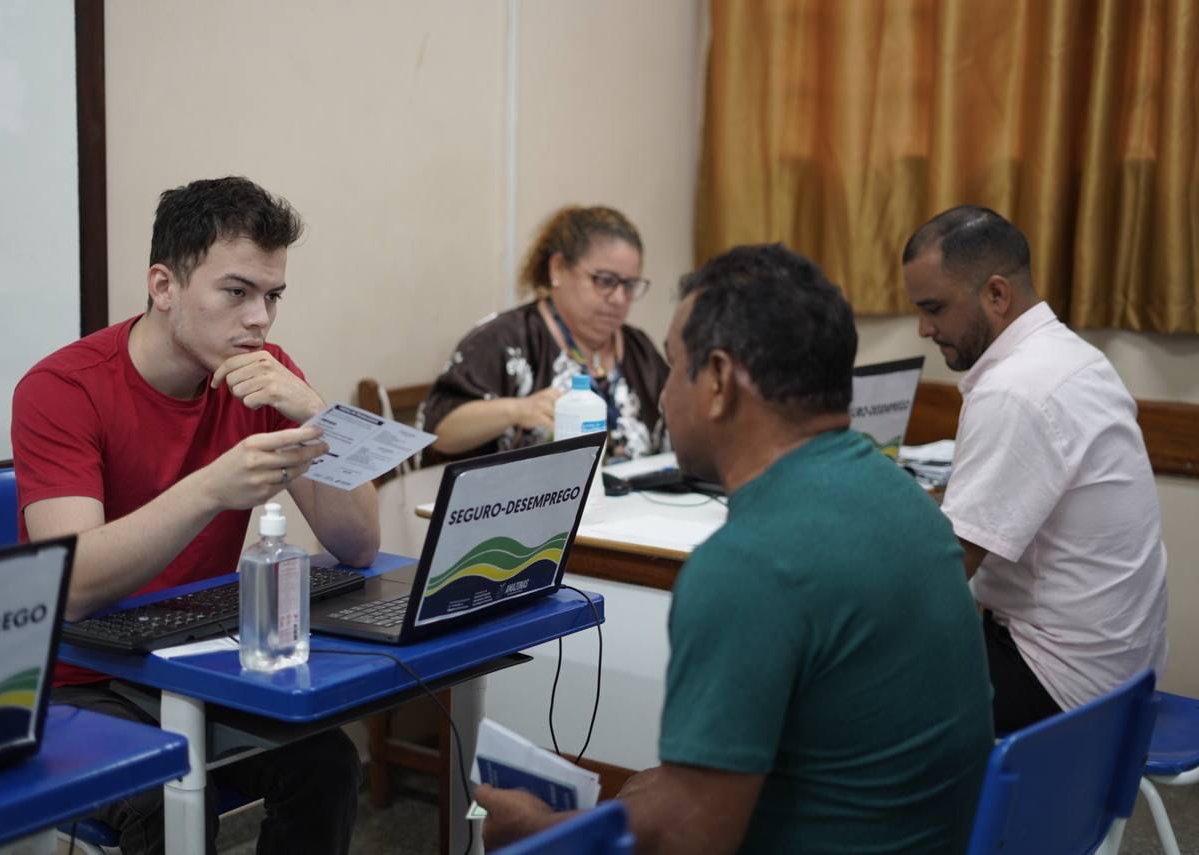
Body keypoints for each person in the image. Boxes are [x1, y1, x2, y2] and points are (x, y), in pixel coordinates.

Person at [477, 244, 993, 854]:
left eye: (674, 367)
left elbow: (690, 844)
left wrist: (533, 831)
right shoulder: (906, 499)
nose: (666, 394)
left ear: (718, 380)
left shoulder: (749, 564)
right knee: (650, 785)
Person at [12, 176, 380, 854]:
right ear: (164, 287)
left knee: (328, 763)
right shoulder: (61, 390)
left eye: (272, 296)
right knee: (169, 791)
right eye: (236, 292)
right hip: (78, 681)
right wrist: (211, 488)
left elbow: (357, 543)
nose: (260, 318)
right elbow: (72, 585)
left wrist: (314, 411)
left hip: (191, 663)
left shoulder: (262, 372)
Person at [902, 205, 1169, 734]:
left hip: (1060, 683)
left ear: (996, 295)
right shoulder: (1074, 358)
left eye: (934, 308)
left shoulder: (1016, 389)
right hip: (1123, 671)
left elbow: (946, 571)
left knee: (840, 686)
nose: (923, 328)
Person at [418, 205, 668, 462]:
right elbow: (439, 432)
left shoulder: (639, 349)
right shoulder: (504, 341)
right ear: (557, 269)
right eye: (604, 280)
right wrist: (516, 410)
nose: (618, 298)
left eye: (629, 286)